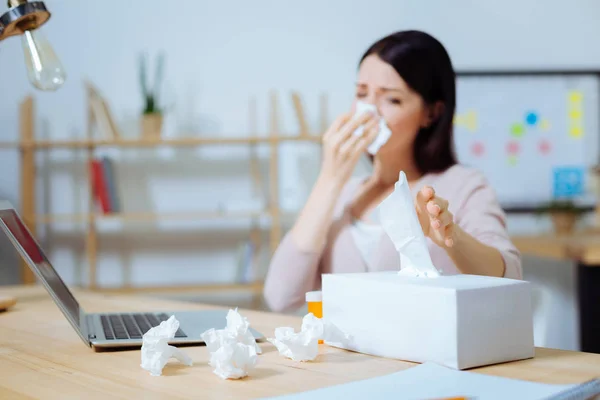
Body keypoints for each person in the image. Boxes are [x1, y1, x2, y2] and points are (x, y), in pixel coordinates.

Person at [263, 30, 522, 313]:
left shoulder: (464, 186)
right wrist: (329, 178)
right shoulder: (343, 193)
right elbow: (281, 297)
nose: (368, 113)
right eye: (362, 94)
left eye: (391, 100)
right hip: (349, 356)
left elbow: (507, 276)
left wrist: (451, 237)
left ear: (431, 113)